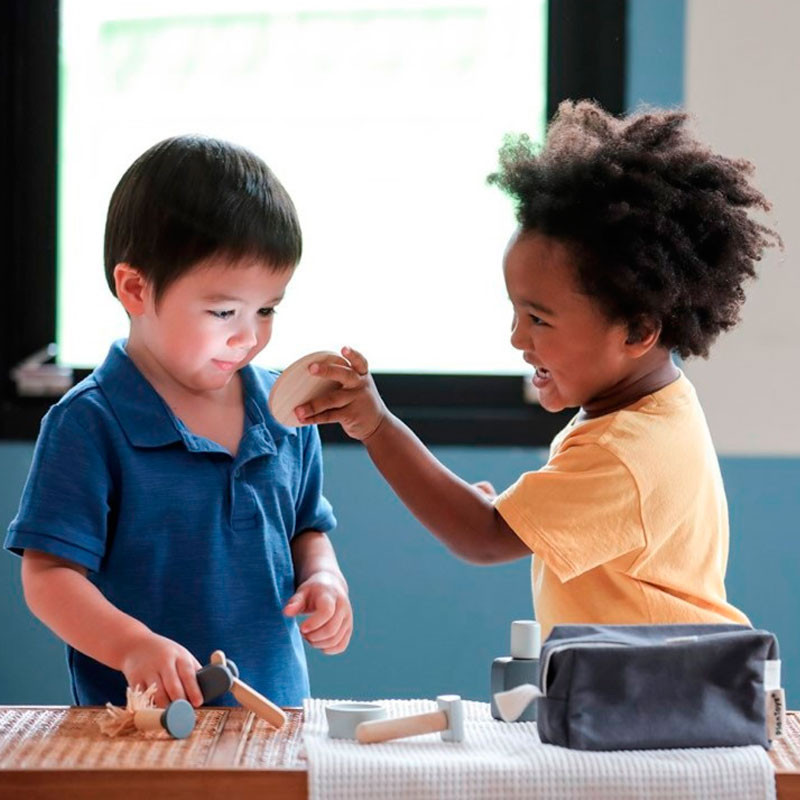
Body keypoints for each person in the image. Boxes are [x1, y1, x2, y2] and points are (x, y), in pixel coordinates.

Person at [293, 101, 781, 639]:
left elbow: (482, 537)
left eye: (539, 320)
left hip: (663, 695)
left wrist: (377, 426)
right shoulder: (655, 409)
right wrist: (495, 509)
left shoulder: (621, 451)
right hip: (655, 682)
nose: (517, 339)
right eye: (516, 312)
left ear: (638, 332)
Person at [5, 135, 352, 708]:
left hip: (275, 724)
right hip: (142, 734)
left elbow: (305, 530)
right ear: (136, 288)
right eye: (223, 311)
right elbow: (48, 578)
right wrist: (132, 646)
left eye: (266, 309)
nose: (251, 335)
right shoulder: (89, 423)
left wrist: (325, 579)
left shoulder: (288, 410)